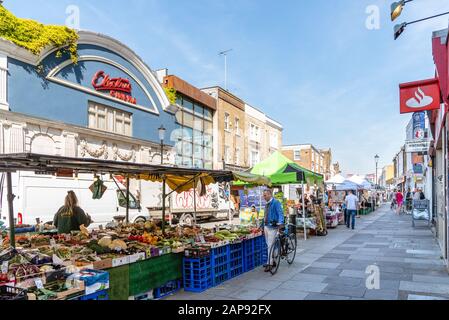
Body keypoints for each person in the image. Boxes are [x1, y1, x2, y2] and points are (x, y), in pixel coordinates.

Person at [261, 189, 284, 272]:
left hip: (273, 227)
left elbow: (280, 213)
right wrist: (261, 225)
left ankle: (270, 263)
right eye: (263, 195)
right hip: (266, 226)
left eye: (265, 195)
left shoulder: (276, 202)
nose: (264, 197)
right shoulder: (267, 203)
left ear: (270, 194)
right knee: (269, 245)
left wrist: (280, 222)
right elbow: (265, 215)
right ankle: (273, 260)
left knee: (270, 245)